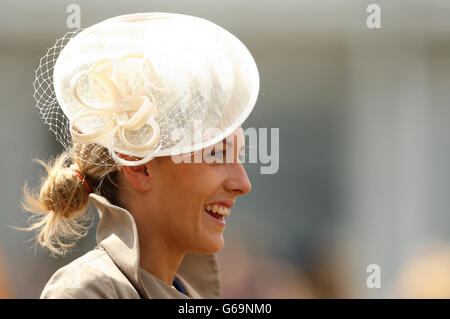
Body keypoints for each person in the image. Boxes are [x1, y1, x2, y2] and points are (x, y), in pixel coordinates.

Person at [20, 12, 259, 298]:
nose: (243, 184)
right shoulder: (87, 291)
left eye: (239, 156)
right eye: (217, 154)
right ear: (138, 164)